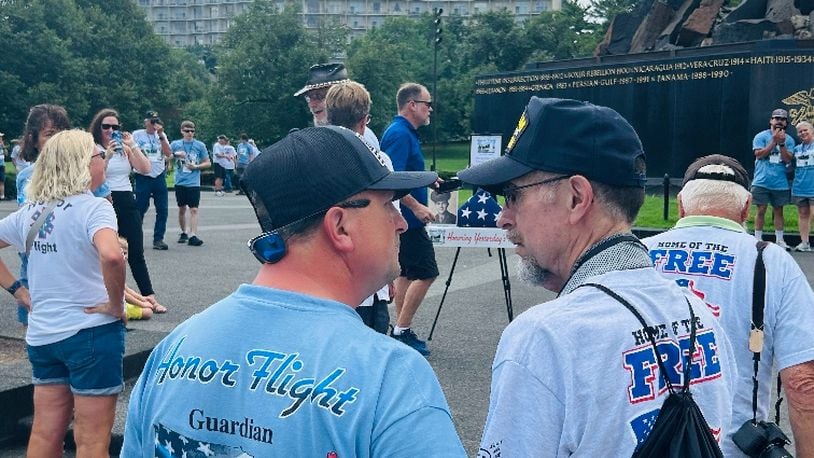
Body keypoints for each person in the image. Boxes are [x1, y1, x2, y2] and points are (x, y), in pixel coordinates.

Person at [121, 126, 465, 456]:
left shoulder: (174, 347)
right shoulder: (390, 377)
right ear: (340, 226)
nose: (401, 221)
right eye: (389, 203)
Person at [458, 97, 735, 456]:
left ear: (576, 198)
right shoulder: (700, 315)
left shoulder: (546, 337)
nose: (503, 217)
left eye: (512, 196)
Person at [642, 154, 814, 457]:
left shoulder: (637, 254)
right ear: (747, 207)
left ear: (681, 203)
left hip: (639, 444)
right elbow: (803, 383)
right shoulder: (772, 261)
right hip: (732, 447)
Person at [0, 129, 126, 456]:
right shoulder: (94, 208)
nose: (104, 161)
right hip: (90, 334)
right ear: (83, 164)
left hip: (43, 335)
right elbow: (112, 255)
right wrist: (115, 304)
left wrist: (17, 289)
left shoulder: (30, 212)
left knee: (45, 432)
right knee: (92, 438)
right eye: (100, 156)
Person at [325, 80, 393, 334]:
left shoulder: (311, 158)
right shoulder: (380, 160)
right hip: (368, 282)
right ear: (364, 121)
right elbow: (389, 224)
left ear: (328, 116)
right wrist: (390, 277)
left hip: (326, 282)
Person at [380, 82, 438, 356]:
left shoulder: (405, 133)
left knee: (407, 274)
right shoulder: (399, 135)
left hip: (408, 220)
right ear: (412, 104)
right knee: (427, 273)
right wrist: (415, 207)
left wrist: (431, 181)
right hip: (408, 220)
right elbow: (392, 178)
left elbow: (409, 174)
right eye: (427, 104)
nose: (430, 109)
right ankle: (402, 331)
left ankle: (399, 330)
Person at [89, 108, 165, 312]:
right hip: (102, 200)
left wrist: (133, 145)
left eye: (115, 127)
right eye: (106, 126)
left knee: (136, 251)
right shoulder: (92, 148)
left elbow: (146, 169)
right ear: (98, 127)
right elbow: (90, 177)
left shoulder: (125, 148)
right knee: (106, 253)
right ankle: (109, 297)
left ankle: (149, 296)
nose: (110, 130)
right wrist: (107, 156)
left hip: (126, 198)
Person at [14, 104, 72, 328]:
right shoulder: (26, 177)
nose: (57, 140)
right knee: (36, 338)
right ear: (33, 138)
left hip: (74, 269)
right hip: (36, 268)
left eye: (61, 133)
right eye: (49, 134)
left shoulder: (84, 171)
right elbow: (25, 226)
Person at [752, 108, 795, 249]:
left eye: (782, 119)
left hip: (780, 182)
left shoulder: (789, 140)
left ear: (786, 123)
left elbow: (788, 159)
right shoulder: (760, 136)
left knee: (779, 210)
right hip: (762, 180)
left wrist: (781, 144)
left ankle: (780, 239)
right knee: (761, 209)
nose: (779, 122)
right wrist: (773, 141)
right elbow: (759, 154)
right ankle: (757, 238)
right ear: (771, 120)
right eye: (777, 118)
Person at [133, 110, 172, 250]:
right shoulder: (137, 135)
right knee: (140, 208)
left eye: (156, 121)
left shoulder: (161, 135)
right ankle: (136, 238)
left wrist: (161, 135)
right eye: (151, 121)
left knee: (162, 209)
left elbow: (168, 153)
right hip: (143, 175)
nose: (153, 124)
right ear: (145, 121)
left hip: (158, 174)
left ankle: (158, 239)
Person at [170, 120, 210, 247]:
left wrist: (196, 166)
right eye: (187, 131)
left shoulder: (200, 145)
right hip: (180, 181)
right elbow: (166, 156)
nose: (190, 133)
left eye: (192, 131)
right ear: (182, 131)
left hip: (193, 182)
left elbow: (208, 162)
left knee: (194, 209)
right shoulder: (176, 144)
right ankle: (184, 232)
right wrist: (175, 155)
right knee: (182, 208)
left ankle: (193, 235)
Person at [793, 121, 814, 252]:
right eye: (800, 131)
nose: (803, 133)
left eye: (805, 130)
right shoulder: (797, 149)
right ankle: (804, 242)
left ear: (812, 131)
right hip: (800, 186)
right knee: (803, 214)